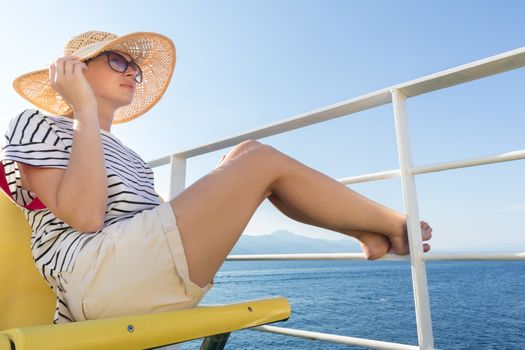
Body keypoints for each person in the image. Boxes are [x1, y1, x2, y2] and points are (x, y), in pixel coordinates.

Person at [0, 30, 432, 324]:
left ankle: (368, 234)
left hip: (130, 270)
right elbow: (87, 217)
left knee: (245, 156)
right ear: (76, 69)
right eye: (118, 60)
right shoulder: (37, 124)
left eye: (137, 68)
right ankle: (391, 224)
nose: (133, 72)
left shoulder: (128, 156)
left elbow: (134, 226)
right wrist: (83, 111)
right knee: (258, 160)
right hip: (92, 280)